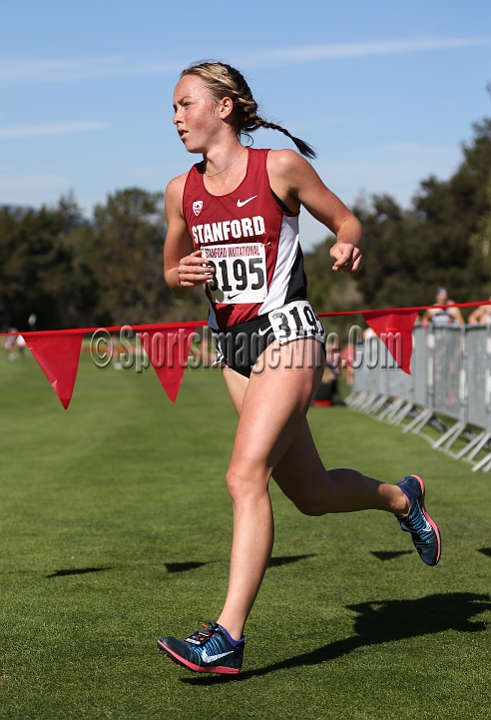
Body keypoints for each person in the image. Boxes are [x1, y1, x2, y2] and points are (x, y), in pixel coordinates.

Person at [157, 61, 441, 675]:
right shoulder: (181, 190)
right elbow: (172, 268)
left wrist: (346, 240)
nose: (175, 117)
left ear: (225, 107)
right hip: (231, 348)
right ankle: (403, 498)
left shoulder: (279, 167)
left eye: (185, 104)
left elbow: (346, 218)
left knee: (242, 476)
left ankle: (226, 638)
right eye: (173, 108)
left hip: (288, 333)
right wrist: (178, 276)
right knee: (311, 496)